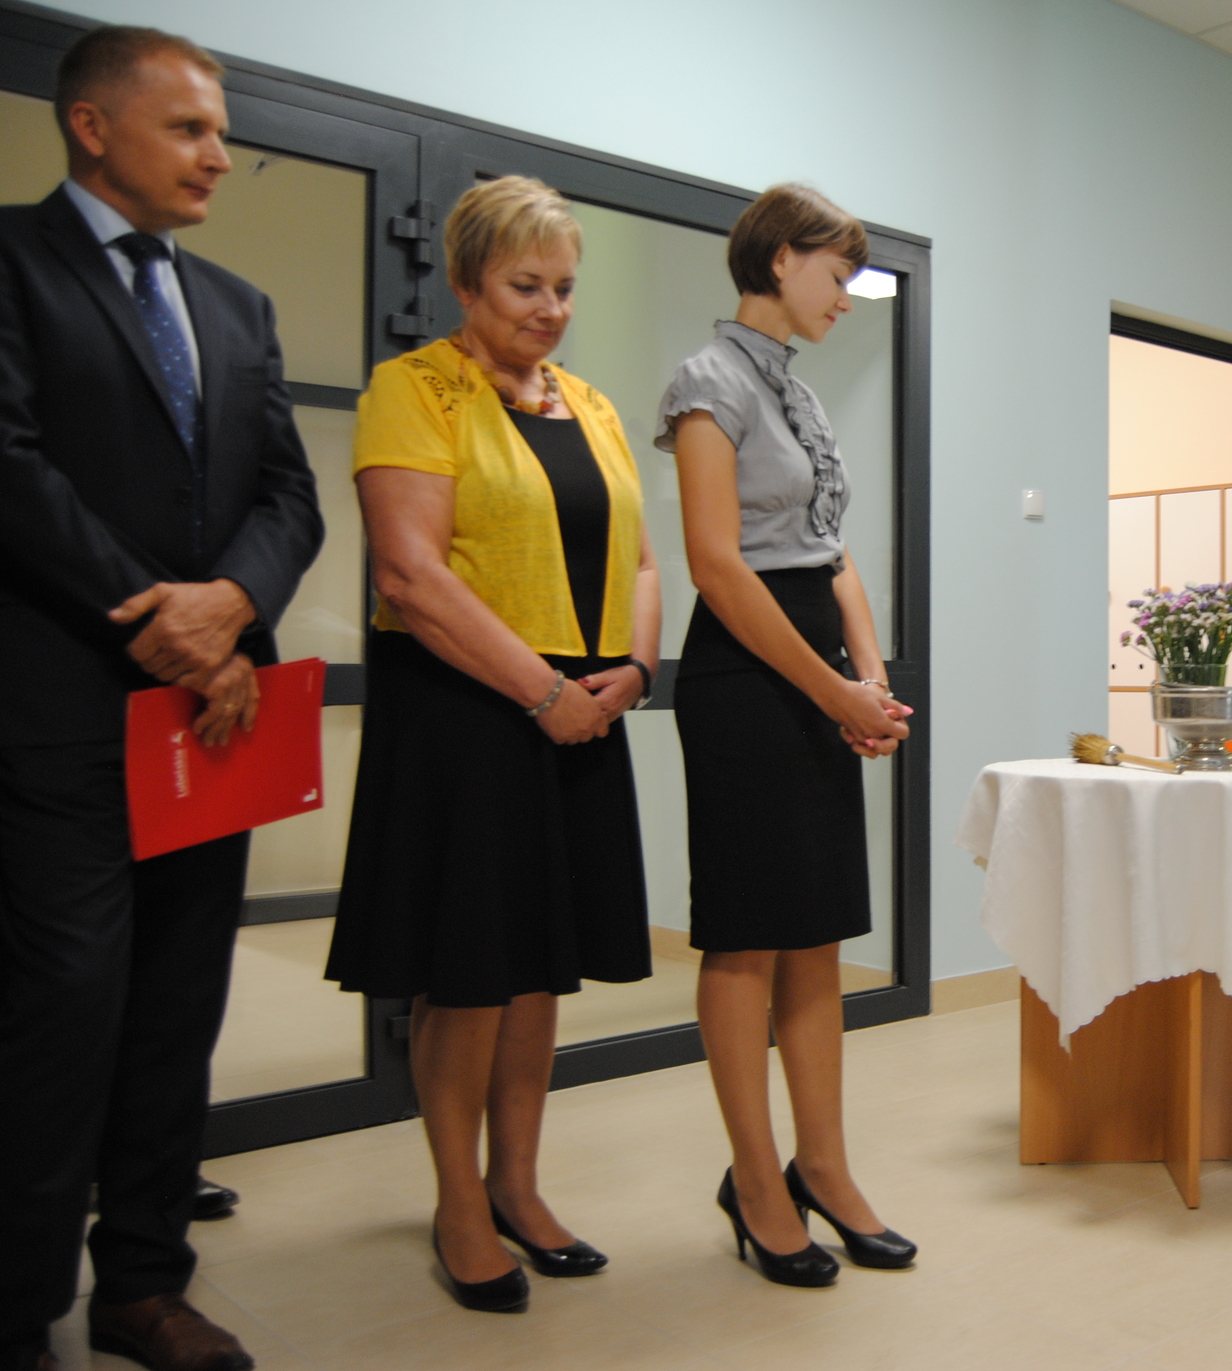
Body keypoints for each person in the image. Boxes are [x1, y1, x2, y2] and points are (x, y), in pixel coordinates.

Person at [0, 26, 323, 1371]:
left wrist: (233, 605)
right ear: (91, 125)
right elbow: (12, 468)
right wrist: (170, 619)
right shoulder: (12, 263)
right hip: (60, 715)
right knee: (60, 1013)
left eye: (220, 132)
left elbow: (289, 495)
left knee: (177, 1011)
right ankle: (18, 1305)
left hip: (209, 726)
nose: (218, 157)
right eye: (189, 128)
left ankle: (141, 1282)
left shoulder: (239, 308)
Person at [323, 176, 660, 1314]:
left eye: (564, 287)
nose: (550, 309)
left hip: (584, 704)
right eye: (525, 286)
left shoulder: (592, 405)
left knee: (538, 965)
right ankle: (458, 1203)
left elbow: (642, 560)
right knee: (469, 972)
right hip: (466, 709)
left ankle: (517, 1183)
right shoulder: (414, 388)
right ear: (467, 283)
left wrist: (635, 669)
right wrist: (541, 692)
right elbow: (410, 574)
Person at [659, 183, 915, 1286]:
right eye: (836, 273)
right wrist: (832, 692)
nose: (846, 297)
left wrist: (872, 676)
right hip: (744, 673)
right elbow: (717, 565)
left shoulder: (799, 395)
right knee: (747, 937)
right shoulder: (706, 383)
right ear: (778, 259)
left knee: (815, 933)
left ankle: (827, 1168)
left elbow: (832, 548)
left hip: (816, 664)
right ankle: (757, 1182)